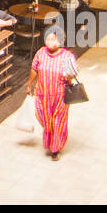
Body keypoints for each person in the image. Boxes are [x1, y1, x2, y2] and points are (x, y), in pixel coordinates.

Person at [27, 24, 78, 161]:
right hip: (42, 94)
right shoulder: (41, 53)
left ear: (60, 41)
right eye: (48, 39)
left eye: (53, 40)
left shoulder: (66, 56)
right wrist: (29, 84)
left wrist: (69, 74)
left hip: (60, 96)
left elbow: (72, 73)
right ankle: (51, 140)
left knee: (58, 121)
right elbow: (34, 69)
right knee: (45, 118)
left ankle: (55, 149)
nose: (50, 42)